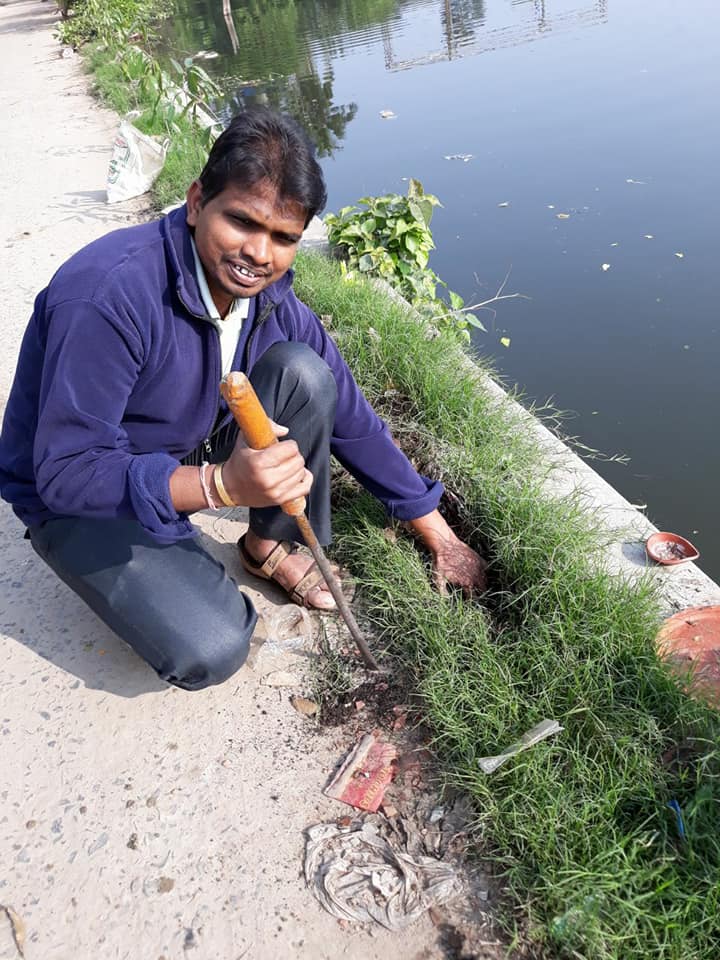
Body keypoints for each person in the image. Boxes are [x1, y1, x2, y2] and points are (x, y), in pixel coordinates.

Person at [0, 108, 487, 691]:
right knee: (213, 644)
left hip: (183, 439)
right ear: (196, 201)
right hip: (79, 494)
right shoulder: (108, 296)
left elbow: (350, 415)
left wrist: (438, 532)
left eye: (284, 238)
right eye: (242, 222)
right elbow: (66, 473)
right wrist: (219, 486)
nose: (260, 253)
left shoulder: (269, 297)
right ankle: (123, 550)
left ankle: (266, 545)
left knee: (305, 375)